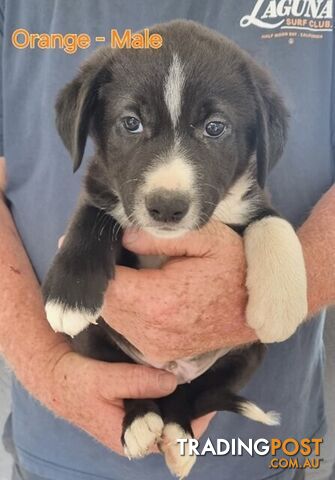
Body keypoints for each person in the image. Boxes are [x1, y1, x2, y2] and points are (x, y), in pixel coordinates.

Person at [0, 1, 334, 479]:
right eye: (131, 124)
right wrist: (49, 368)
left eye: (214, 128)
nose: (169, 184)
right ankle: (150, 410)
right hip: (58, 453)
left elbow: (263, 224)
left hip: (269, 455)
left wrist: (300, 275)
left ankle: (183, 409)